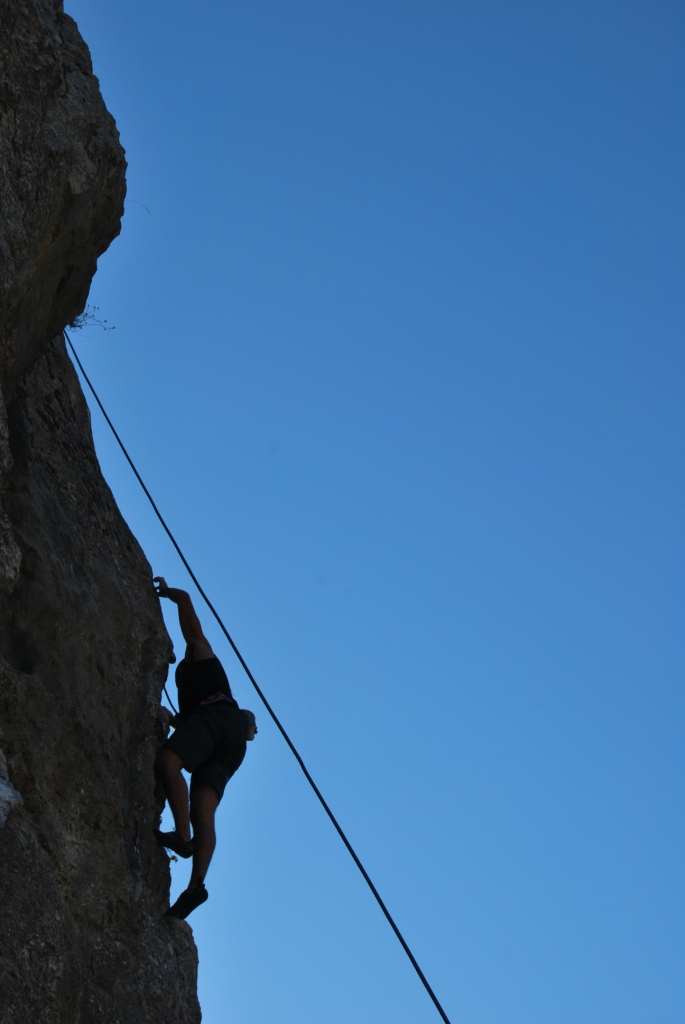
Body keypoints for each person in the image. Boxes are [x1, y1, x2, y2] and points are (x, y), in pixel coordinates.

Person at [154, 577, 257, 920]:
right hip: (230, 743)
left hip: (219, 721)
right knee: (205, 812)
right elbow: (191, 730)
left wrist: (172, 594)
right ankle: (196, 885)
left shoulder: (201, 655)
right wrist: (172, 720)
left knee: (168, 761)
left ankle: (182, 837)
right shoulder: (197, 704)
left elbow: (189, 616)